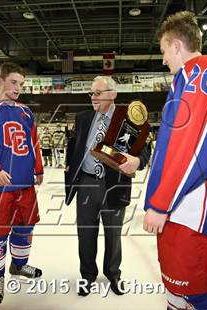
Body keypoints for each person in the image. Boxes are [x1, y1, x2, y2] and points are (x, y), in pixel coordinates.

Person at [143, 11, 207, 310]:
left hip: (190, 209)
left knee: (196, 291)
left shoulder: (204, 69)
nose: (163, 59)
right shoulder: (185, 78)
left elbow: (194, 146)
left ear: (177, 46)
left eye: (163, 51)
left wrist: (160, 203)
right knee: (176, 288)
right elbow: (175, 144)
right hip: (178, 207)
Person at [65, 75, 151, 297]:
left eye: (98, 93)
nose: (93, 98)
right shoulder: (83, 117)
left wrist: (138, 162)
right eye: (91, 93)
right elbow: (74, 145)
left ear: (113, 94)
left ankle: (113, 274)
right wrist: (69, 167)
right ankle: (87, 276)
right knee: (85, 234)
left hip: (114, 185)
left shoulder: (129, 121)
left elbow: (144, 151)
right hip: (86, 183)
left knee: (113, 234)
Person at [0, 62, 44, 307]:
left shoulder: (25, 111)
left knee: (25, 228)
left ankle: (19, 265)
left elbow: (34, 142)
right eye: (13, 83)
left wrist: (38, 169)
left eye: (21, 84)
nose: (18, 88)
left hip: (24, 184)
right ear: (1, 81)